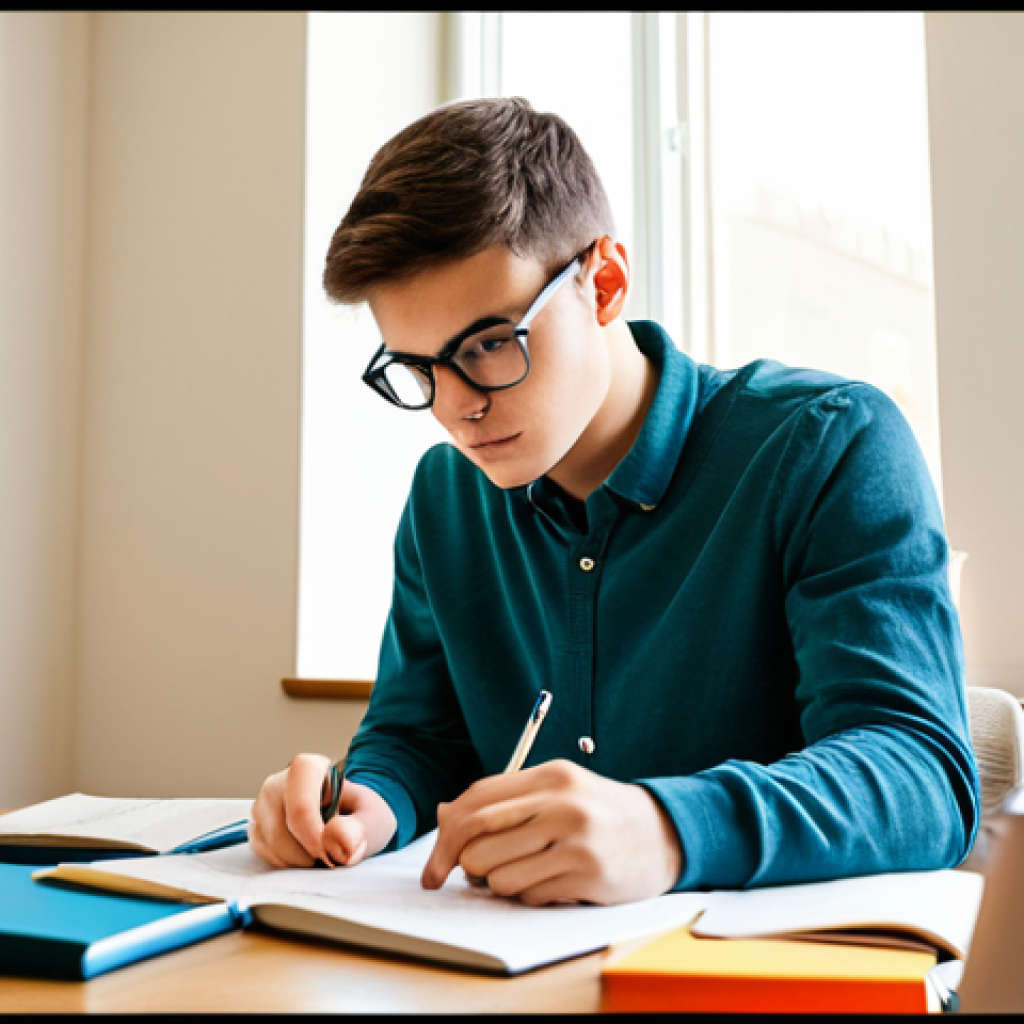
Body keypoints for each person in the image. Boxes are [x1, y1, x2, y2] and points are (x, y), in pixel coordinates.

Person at [250, 97, 980, 906]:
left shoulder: (831, 444)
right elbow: (420, 735)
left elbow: (922, 775)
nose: (456, 408)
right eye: (418, 367)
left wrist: (666, 829)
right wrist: (370, 801)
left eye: (490, 345)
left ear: (604, 283)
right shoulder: (445, 498)